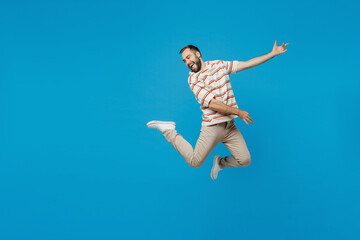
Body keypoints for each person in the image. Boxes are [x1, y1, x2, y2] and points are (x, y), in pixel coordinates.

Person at [147, 40, 289, 180]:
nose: (187, 62)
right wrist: (238, 112)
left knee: (245, 160)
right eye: (184, 61)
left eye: (188, 57)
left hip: (229, 126)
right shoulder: (193, 79)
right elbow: (213, 104)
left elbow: (246, 64)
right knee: (195, 162)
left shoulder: (218, 65)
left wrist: (272, 54)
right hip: (212, 128)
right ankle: (168, 130)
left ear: (198, 54)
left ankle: (220, 163)